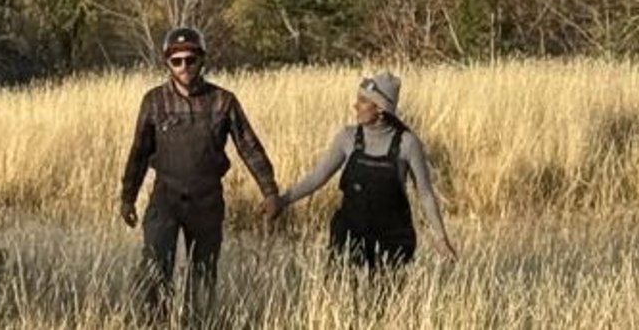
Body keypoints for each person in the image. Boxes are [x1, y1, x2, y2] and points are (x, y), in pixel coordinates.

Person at [120, 25, 281, 318]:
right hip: (165, 199)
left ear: (202, 60)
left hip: (206, 202)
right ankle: (154, 323)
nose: (184, 67)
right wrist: (127, 197)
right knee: (155, 267)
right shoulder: (154, 101)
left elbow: (249, 147)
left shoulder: (223, 101)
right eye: (176, 61)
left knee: (203, 275)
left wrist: (270, 191)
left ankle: (200, 322)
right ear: (167, 63)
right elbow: (139, 153)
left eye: (190, 60)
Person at [276, 71, 457, 268]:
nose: (356, 106)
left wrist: (441, 238)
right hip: (349, 238)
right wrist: (282, 201)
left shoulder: (407, 144)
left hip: (392, 241)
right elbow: (317, 178)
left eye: (363, 101)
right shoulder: (347, 138)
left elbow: (425, 193)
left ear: (380, 108)